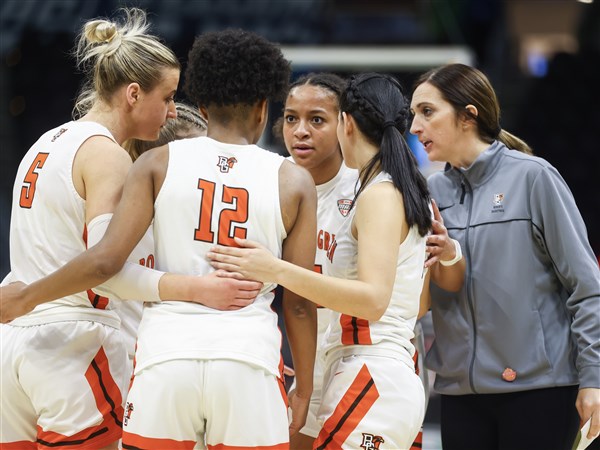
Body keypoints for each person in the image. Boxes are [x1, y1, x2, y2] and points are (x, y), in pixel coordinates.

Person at [1, 28, 318, 449]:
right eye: (167, 98)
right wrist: (199, 288)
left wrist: (23, 299)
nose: (172, 111)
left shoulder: (49, 143)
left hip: (21, 345)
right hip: (78, 343)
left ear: (203, 106)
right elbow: (104, 267)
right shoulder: (114, 157)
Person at [208, 72, 433, 449]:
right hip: (351, 369)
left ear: (344, 122)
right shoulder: (391, 184)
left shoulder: (376, 193)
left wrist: (277, 269)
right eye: (292, 118)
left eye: (317, 119)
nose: (300, 131)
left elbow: (379, 300)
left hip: (372, 370)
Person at [409, 62, 600, 450]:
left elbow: (586, 288)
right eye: (413, 114)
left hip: (539, 391)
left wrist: (594, 377)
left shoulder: (534, 177)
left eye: (427, 112)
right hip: (461, 395)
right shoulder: (430, 192)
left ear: (468, 116)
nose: (415, 127)